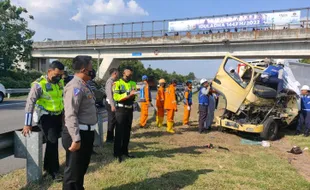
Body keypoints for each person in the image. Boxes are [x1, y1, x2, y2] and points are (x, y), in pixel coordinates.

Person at [22, 61, 64, 181]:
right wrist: (27, 124)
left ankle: (47, 166)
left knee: (53, 141)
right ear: (49, 71)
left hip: (57, 116)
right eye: (56, 74)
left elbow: (61, 99)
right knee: (53, 141)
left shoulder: (59, 82)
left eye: (61, 75)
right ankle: (54, 171)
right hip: (45, 117)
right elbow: (30, 103)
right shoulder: (39, 85)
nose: (59, 77)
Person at [62, 55, 97, 189]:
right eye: (91, 68)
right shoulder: (74, 87)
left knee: (81, 169)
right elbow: (71, 114)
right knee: (73, 172)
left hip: (86, 132)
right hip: (77, 134)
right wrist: (76, 139)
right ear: (83, 69)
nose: (92, 71)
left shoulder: (84, 85)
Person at [113, 67, 137, 162]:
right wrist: (128, 95)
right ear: (123, 73)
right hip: (121, 109)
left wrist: (134, 96)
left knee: (127, 132)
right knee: (119, 132)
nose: (130, 75)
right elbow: (116, 97)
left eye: (131, 73)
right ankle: (117, 153)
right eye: (128, 73)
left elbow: (135, 96)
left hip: (129, 109)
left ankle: (125, 151)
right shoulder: (117, 83)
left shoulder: (133, 83)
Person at [105, 68, 119, 143]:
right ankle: (109, 138)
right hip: (110, 103)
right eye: (118, 73)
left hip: (113, 102)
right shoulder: (109, 81)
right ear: (115, 73)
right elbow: (109, 94)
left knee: (113, 120)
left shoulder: (114, 82)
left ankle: (111, 137)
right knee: (111, 121)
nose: (118, 75)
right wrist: (112, 105)